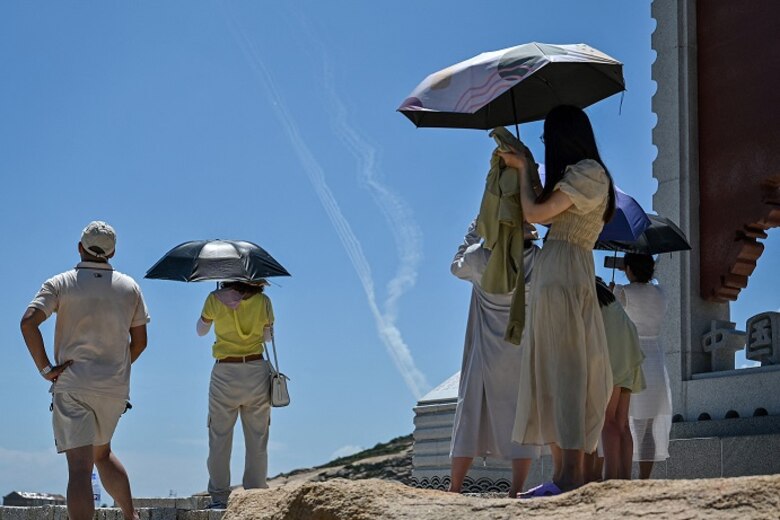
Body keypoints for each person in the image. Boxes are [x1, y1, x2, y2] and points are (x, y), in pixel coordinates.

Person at [498, 105, 616, 496]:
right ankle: (565, 474)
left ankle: (570, 475)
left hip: (565, 273)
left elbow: (536, 212)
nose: (547, 145)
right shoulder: (582, 174)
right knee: (557, 369)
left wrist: (526, 166)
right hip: (565, 272)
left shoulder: (588, 172)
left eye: (549, 139)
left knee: (569, 371)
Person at [20, 221, 150, 520]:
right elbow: (140, 343)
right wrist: (117, 368)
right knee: (102, 454)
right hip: (114, 387)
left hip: (74, 383)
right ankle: (131, 517)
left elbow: (28, 323)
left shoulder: (61, 283)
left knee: (80, 467)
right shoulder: (130, 287)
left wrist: (46, 369)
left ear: (79, 247)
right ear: (113, 252)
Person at [448, 219, 541, 497]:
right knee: (520, 416)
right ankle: (516, 488)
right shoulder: (538, 260)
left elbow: (455, 266)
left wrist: (474, 232)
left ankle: (455, 486)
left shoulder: (479, 257)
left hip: (485, 349)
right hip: (522, 348)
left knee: (470, 412)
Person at [196, 279, 275, 509]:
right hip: (255, 370)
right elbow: (268, 337)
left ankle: (220, 497)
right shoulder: (263, 301)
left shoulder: (214, 298)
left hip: (225, 372)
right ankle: (256, 495)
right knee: (258, 437)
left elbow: (201, 331)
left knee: (219, 437)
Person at [613, 253, 671, 479]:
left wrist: (613, 290)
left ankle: (621, 474)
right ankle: (644, 478)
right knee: (649, 425)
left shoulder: (623, 292)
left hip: (631, 355)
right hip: (656, 358)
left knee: (624, 419)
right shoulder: (661, 293)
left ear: (629, 268)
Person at [587, 277, 645, 481]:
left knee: (608, 421)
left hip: (614, 359)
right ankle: (624, 478)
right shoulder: (609, 298)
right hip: (630, 355)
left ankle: (611, 477)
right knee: (622, 423)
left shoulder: (588, 296)